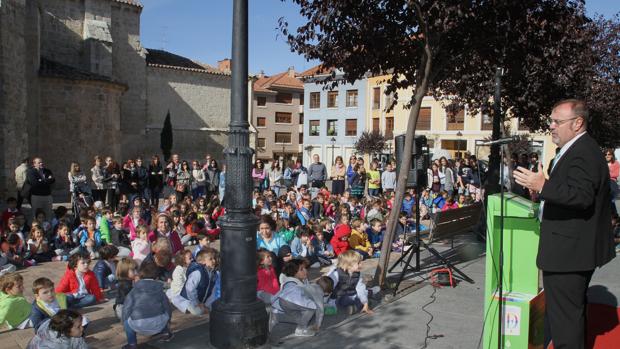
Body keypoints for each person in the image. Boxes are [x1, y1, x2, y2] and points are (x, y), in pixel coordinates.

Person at [514, 99, 615, 349]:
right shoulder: (573, 149)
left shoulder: (584, 151)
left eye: (557, 121)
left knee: (565, 323)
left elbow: (581, 196)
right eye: (551, 121)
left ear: (578, 123)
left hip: (570, 253)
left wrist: (544, 186)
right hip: (570, 249)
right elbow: (570, 191)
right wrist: (543, 192)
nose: (551, 126)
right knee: (568, 316)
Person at [270, 259, 332, 336]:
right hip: (288, 302)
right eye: (301, 269)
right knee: (312, 307)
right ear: (294, 273)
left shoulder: (302, 280)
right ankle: (301, 329)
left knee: (302, 317)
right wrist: (317, 324)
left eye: (305, 268)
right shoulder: (290, 283)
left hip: (288, 304)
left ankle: (278, 318)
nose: (305, 270)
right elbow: (319, 307)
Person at [122, 261, 174, 349]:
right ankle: (166, 334)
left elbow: (126, 309)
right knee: (164, 312)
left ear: (139, 276)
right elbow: (167, 307)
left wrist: (124, 321)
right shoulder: (160, 290)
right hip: (159, 324)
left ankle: (132, 344)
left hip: (139, 326)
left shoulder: (133, 291)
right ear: (156, 277)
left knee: (126, 321)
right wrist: (168, 320)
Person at [171, 248, 219, 315]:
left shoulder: (213, 274)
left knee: (215, 307)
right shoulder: (198, 272)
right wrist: (197, 303)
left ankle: (201, 308)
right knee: (199, 312)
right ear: (202, 262)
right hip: (188, 300)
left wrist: (206, 304)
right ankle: (180, 303)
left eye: (214, 258)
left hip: (201, 300)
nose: (214, 261)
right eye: (210, 259)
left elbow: (212, 292)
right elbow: (189, 289)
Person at [327, 250, 373, 315]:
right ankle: (357, 306)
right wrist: (327, 302)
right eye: (358, 263)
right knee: (345, 300)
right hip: (339, 297)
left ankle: (358, 306)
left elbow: (360, 288)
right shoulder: (336, 274)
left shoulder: (357, 274)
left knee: (363, 293)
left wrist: (365, 302)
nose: (361, 264)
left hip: (352, 293)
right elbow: (327, 287)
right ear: (349, 265)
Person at [27, 157, 55, 221]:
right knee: (36, 214)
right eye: (39, 163)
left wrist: (41, 181)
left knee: (48, 214)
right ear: (34, 164)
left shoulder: (47, 171)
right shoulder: (31, 172)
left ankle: (48, 229)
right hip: (36, 196)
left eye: (42, 162)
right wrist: (47, 180)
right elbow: (34, 183)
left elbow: (53, 180)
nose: (41, 163)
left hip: (47, 196)